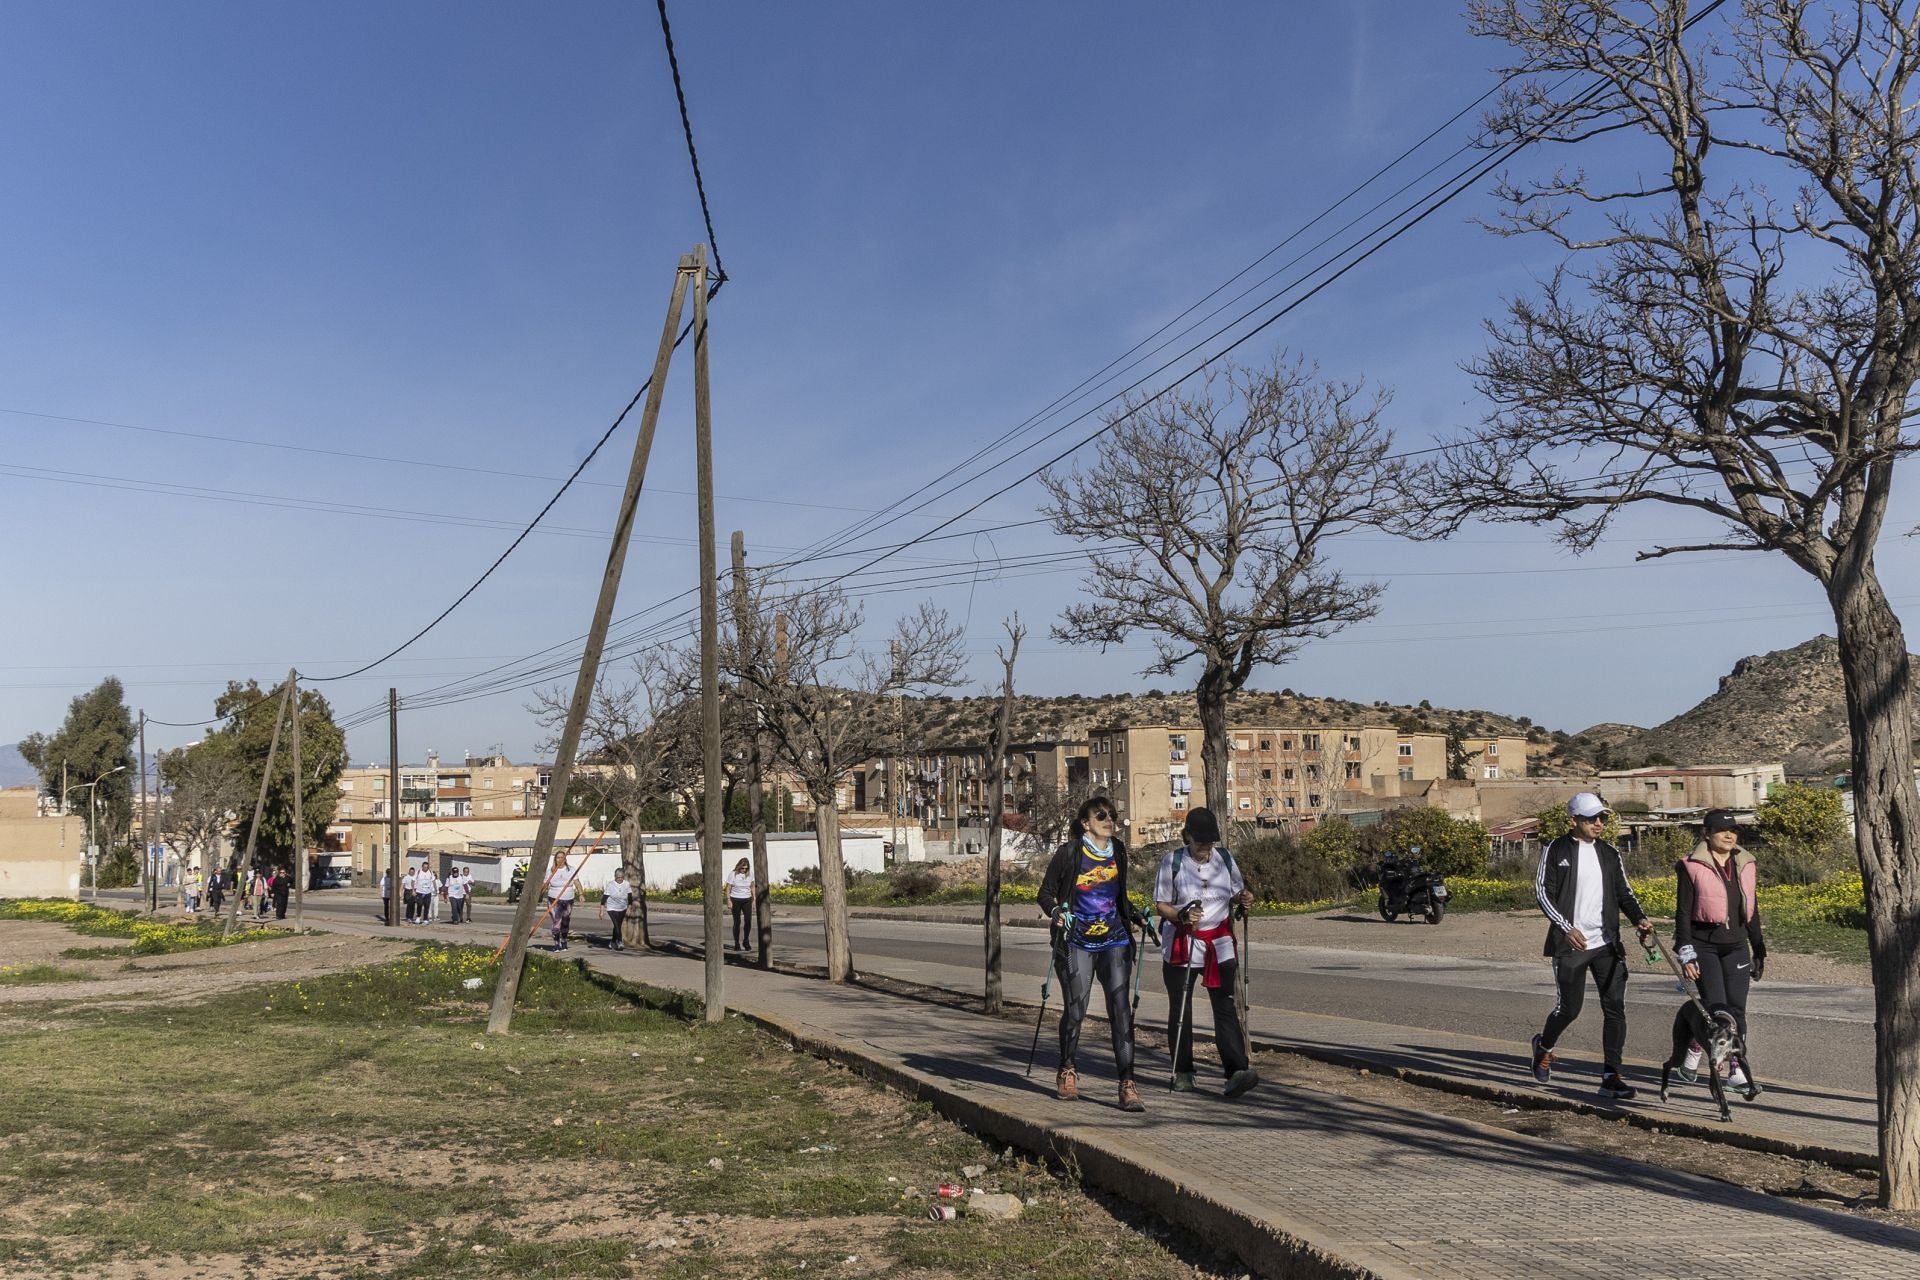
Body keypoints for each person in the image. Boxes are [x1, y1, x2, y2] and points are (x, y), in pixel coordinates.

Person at [1530, 792, 1656, 1100]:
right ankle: (1543, 1047)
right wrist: (1566, 928)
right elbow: (1543, 893)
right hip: (1571, 943)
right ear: (1573, 821)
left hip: (1606, 944)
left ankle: (1611, 1076)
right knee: (1569, 1009)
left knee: (1615, 1008)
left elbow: (1624, 892)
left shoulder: (1610, 853)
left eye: (1601, 818)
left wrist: (1639, 919)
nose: (1598, 824)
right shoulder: (1556, 849)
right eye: (1590, 819)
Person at [1036, 795, 1150, 1112]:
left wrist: (1136, 914)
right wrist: (1056, 910)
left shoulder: (1119, 853)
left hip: (1114, 939)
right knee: (1076, 1008)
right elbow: (1044, 893)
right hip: (1076, 941)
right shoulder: (1070, 853)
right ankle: (1067, 1069)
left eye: (1112, 815)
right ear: (1086, 823)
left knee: (1121, 1010)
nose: (1108, 820)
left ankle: (1127, 1084)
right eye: (1101, 816)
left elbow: (1117, 897)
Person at [1152, 807, 1258, 1097]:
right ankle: (1183, 1071)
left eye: (1210, 842)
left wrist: (1243, 897)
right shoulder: (1172, 862)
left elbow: (1235, 891)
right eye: (1200, 842)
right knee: (1181, 1008)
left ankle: (1237, 1071)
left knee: (1225, 1007)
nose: (1205, 848)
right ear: (1187, 836)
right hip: (1183, 943)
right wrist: (1181, 916)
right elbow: (1160, 904)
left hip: (1219, 943)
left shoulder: (1224, 859)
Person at [1674, 809, 1766, 1086]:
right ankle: (1695, 1046)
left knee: (1737, 1010)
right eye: (1721, 830)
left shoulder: (1745, 863)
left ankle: (1735, 1068)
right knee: (1717, 1010)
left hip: (1736, 945)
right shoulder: (1691, 865)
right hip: (1705, 946)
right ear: (1707, 834)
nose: (1729, 835)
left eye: (1733, 831)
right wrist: (1686, 952)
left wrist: (1759, 947)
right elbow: (1682, 913)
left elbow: (1752, 907)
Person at [548, 851, 580, 951]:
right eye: (558, 857)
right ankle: (557, 943)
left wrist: (581, 894)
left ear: (565, 859)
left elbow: (577, 883)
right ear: (555, 859)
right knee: (556, 922)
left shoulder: (571, 869)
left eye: (562, 857)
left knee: (565, 922)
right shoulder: (551, 871)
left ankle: (564, 940)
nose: (560, 859)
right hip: (553, 899)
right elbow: (545, 884)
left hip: (568, 899)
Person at [601, 866, 633, 952]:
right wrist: (601, 911)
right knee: (616, 924)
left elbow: (630, 897)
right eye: (618, 877)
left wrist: (629, 908)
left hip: (622, 907)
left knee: (617, 926)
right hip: (612, 908)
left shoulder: (626, 884)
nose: (620, 879)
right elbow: (604, 898)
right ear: (615, 877)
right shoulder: (610, 884)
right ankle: (619, 941)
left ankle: (612, 942)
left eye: (622, 877)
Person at [726, 858, 754, 951]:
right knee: (737, 922)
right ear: (739, 866)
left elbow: (752, 886)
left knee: (748, 921)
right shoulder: (733, 874)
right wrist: (728, 900)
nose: (744, 870)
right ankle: (736, 943)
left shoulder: (750, 874)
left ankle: (746, 940)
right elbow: (728, 887)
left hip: (747, 899)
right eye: (742, 868)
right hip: (735, 899)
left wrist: (754, 899)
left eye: (746, 868)